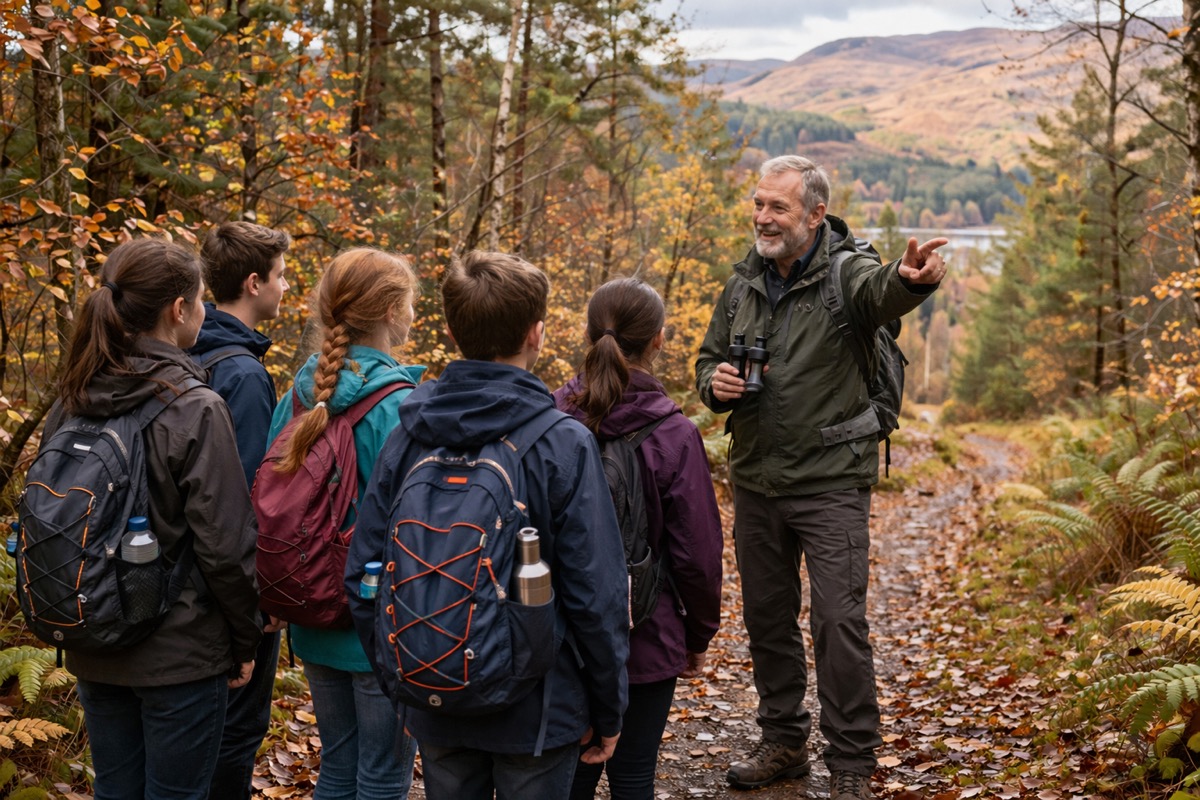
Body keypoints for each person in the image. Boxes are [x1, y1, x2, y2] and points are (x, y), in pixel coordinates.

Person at [695, 155, 948, 800]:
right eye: (758, 204)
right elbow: (709, 361)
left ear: (814, 213)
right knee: (766, 618)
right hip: (756, 480)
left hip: (832, 480)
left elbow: (881, 291)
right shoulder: (741, 284)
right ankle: (783, 740)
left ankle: (852, 764)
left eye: (777, 207)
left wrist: (911, 279)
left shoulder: (847, 273)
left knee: (838, 621)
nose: (762, 217)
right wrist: (715, 385)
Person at [347, 250, 630, 800]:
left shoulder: (410, 434)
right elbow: (596, 595)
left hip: (436, 687)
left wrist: (402, 682)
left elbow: (365, 574)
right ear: (537, 334)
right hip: (540, 708)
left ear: (453, 332)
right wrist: (609, 706)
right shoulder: (562, 440)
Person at [54, 238, 261, 799]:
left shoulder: (74, 395)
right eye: (198, 301)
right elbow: (225, 545)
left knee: (115, 793)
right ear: (179, 309)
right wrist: (246, 639)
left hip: (93, 639)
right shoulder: (195, 406)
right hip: (181, 655)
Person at [553, 277, 723, 800]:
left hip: (562, 632)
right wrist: (697, 636)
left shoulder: (550, 417)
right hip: (646, 633)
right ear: (659, 340)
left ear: (587, 333)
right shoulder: (675, 434)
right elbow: (697, 554)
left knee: (571, 774)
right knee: (633, 777)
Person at [265, 248, 424, 800]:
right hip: (381, 629)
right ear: (391, 311)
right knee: (383, 775)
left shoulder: (296, 397)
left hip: (311, 613)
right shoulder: (401, 406)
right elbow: (418, 529)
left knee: (337, 765)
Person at [190, 220, 291, 800]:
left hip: (180, 587)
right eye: (279, 276)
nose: (284, 287)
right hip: (229, 597)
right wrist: (259, 604)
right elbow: (249, 500)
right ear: (253, 283)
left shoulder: (181, 354)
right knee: (236, 731)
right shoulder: (245, 375)